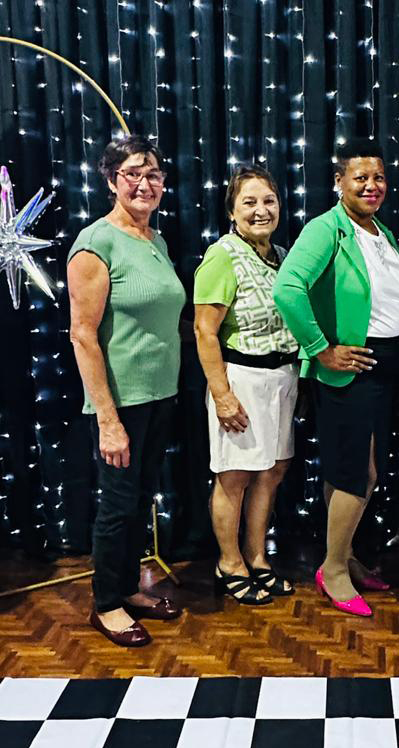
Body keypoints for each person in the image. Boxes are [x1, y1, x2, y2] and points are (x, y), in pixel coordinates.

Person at [273, 137, 399, 617]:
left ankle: (345, 555)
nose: (371, 185)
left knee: (354, 470)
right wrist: (320, 349)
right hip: (352, 368)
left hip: (384, 367)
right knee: (357, 473)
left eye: (378, 177)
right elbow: (288, 288)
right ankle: (333, 569)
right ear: (339, 182)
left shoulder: (381, 231)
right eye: (360, 177)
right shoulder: (326, 229)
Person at [67, 135, 186, 647]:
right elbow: (82, 335)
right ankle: (106, 605)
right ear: (112, 181)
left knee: (140, 500)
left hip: (160, 395)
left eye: (153, 173)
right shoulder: (96, 243)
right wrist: (108, 420)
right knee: (118, 506)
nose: (144, 183)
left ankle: (128, 589)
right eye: (133, 173)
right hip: (121, 402)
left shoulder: (154, 240)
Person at [194, 165, 298, 605]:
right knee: (234, 476)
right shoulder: (222, 255)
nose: (261, 210)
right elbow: (204, 330)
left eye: (268, 201)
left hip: (283, 378)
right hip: (241, 379)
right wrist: (222, 396)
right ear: (232, 211)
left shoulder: (283, 255)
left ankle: (257, 557)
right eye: (249, 202)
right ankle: (229, 562)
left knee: (271, 473)